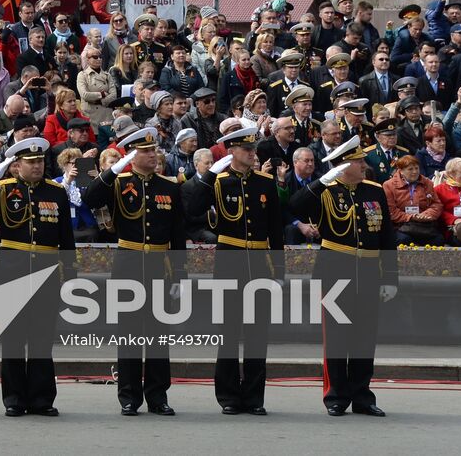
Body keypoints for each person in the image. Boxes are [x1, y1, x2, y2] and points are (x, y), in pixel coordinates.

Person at [0, 137, 75, 417]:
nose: (37, 166)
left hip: (47, 270)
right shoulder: (2, 189)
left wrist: (71, 276)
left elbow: (66, 239)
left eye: (40, 161)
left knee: (41, 338)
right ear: (16, 166)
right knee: (13, 339)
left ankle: (42, 398)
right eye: (31, 162)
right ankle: (13, 398)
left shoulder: (56, 192)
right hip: (12, 270)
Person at [288, 137, 397, 417]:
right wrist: (320, 182)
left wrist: (391, 278)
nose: (364, 165)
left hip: (370, 271)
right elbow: (293, 207)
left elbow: (386, 237)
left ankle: (362, 396)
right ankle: (335, 395)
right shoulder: (325, 191)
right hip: (335, 271)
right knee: (336, 336)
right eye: (359, 161)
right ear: (344, 165)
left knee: (364, 337)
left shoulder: (374, 190)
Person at [82, 127, 184, 416]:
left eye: (154, 150)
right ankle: (129, 396)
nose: (153, 155)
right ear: (132, 156)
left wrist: (179, 275)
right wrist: (114, 168)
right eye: (146, 151)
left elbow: (177, 235)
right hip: (128, 264)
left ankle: (157, 395)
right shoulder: (118, 182)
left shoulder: (169, 186)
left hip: (159, 266)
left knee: (157, 336)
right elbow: (89, 198)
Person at [184, 124, 284, 415]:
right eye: (246, 149)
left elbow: (276, 230)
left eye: (253, 149)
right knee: (228, 332)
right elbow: (193, 208)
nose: (252, 154)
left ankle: (254, 398)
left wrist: (278, 271)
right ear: (232, 152)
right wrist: (211, 173)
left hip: (259, 263)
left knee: (257, 334)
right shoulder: (219, 181)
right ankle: (228, 396)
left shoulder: (264, 183)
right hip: (230, 262)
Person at [382, 155, 444, 245]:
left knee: (438, 240)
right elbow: (391, 211)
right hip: (401, 226)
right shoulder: (388, 185)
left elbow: (436, 205)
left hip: (424, 226)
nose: (415, 172)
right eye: (410, 169)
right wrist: (411, 217)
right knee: (403, 240)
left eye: (416, 168)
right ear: (401, 171)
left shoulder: (427, 183)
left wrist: (425, 215)